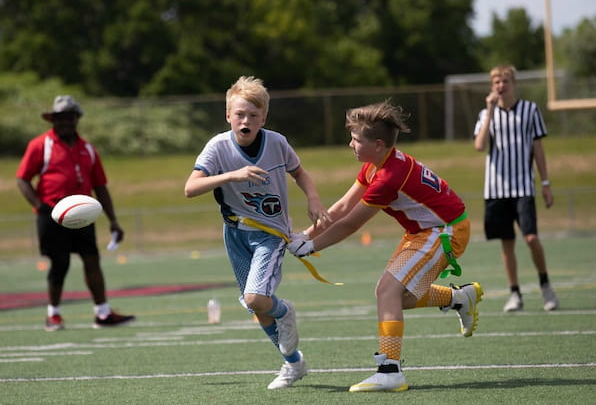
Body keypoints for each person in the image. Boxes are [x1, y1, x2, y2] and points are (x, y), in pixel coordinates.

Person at [288, 100, 483, 392]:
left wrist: (312, 246)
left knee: (386, 291)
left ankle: (390, 370)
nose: (350, 144)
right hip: (423, 231)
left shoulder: (388, 177)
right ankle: (457, 298)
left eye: (356, 139)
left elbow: (351, 224)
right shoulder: (375, 164)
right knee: (395, 298)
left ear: (378, 144)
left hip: (445, 230)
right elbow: (342, 207)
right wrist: (305, 235)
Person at [184, 76, 329, 390]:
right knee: (255, 305)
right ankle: (293, 364)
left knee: (256, 298)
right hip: (235, 234)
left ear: (263, 118)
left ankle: (285, 311)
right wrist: (232, 175)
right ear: (228, 116)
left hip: (271, 233)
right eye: (239, 114)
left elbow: (299, 172)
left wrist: (313, 198)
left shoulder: (276, 142)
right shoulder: (218, 147)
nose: (245, 120)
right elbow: (190, 188)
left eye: (252, 115)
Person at [16, 95, 135, 331]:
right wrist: (40, 206)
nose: (65, 122)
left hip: (82, 215)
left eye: (70, 117)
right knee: (59, 263)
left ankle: (102, 313)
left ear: (76, 119)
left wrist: (113, 221)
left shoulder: (87, 149)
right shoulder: (41, 145)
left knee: (92, 260)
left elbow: (100, 186)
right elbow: (23, 179)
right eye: (60, 117)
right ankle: (54, 315)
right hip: (51, 213)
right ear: (53, 120)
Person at [473, 65, 559, 312]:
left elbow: (538, 149)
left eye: (505, 81)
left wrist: (545, 183)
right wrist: (489, 110)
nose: (501, 86)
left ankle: (545, 286)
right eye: (496, 82)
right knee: (506, 242)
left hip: (523, 187)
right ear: (492, 86)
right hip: (496, 190)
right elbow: (480, 145)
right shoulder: (485, 114)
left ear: (514, 83)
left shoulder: (530, 110)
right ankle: (515, 293)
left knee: (531, 238)